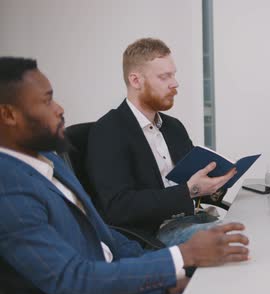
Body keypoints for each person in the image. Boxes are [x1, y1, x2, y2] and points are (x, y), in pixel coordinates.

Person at [0, 57, 249, 294]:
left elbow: (105, 236)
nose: (60, 108)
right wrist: (181, 256)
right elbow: (72, 280)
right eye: (46, 100)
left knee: (235, 283)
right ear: (8, 114)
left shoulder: (49, 159)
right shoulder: (8, 188)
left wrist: (170, 277)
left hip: (124, 287)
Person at [86, 38, 234, 246]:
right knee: (239, 237)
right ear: (136, 81)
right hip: (153, 234)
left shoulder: (173, 127)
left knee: (253, 225)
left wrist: (216, 185)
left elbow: (194, 184)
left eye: (173, 75)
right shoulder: (108, 131)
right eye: (165, 77)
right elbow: (118, 207)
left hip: (192, 219)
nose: (175, 83)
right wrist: (190, 190)